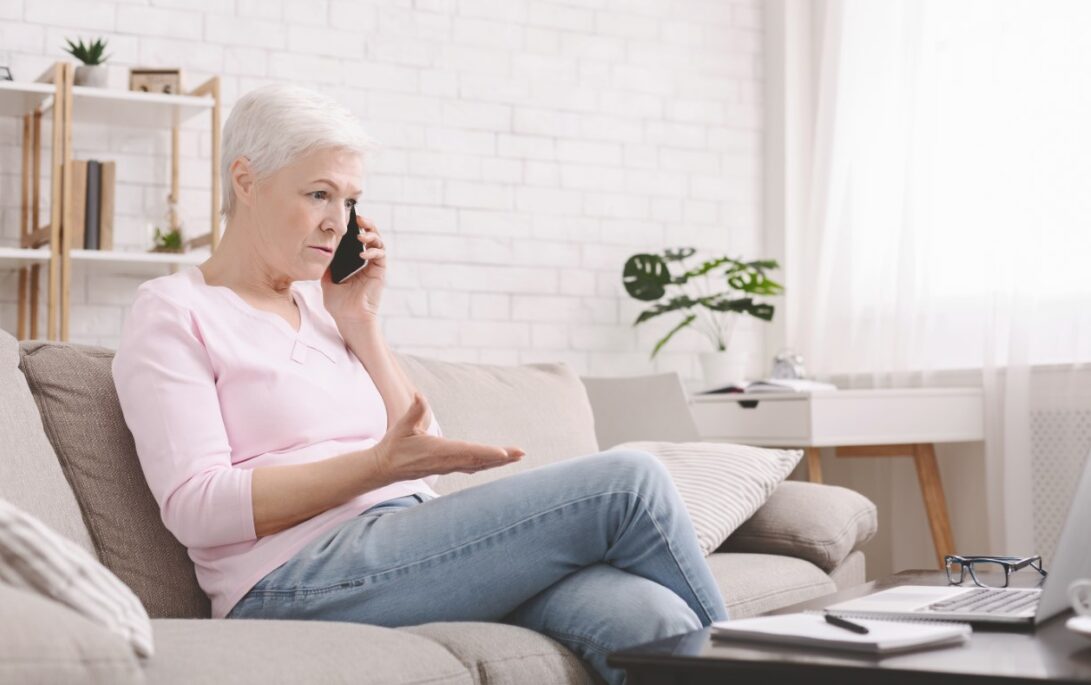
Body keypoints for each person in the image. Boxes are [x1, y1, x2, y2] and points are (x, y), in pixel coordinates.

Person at [111, 83, 727, 685]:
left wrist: (361, 323)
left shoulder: (329, 310)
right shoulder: (174, 311)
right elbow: (197, 508)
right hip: (292, 579)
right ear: (246, 181)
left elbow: (421, 456)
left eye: (350, 201)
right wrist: (377, 467)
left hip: (404, 549)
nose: (337, 222)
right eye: (319, 194)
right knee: (630, 482)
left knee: (653, 618)